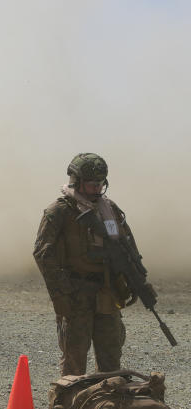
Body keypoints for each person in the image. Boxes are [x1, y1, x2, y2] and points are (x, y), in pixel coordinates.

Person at [33, 153, 135, 377]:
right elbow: (43, 254)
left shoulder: (110, 210)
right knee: (74, 361)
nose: (96, 188)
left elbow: (126, 247)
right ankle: (66, 408)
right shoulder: (60, 211)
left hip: (106, 293)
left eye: (100, 183)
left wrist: (135, 280)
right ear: (76, 181)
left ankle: (106, 408)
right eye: (91, 183)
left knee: (111, 361)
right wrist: (62, 293)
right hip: (76, 293)